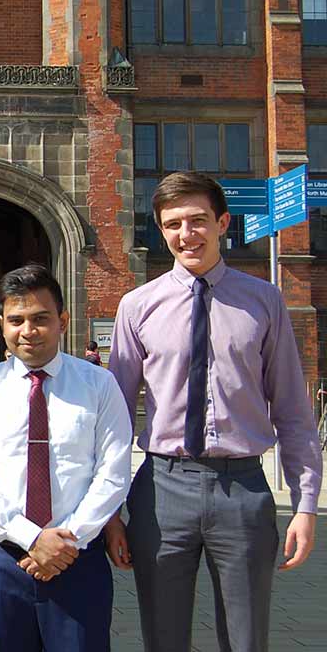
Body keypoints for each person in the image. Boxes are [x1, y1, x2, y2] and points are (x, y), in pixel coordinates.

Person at [105, 171, 322, 652]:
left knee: (246, 640)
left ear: (222, 222)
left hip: (242, 489)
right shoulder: (137, 306)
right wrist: (110, 513)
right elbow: (114, 419)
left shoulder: (264, 302)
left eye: (198, 220)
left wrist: (306, 505)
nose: (187, 234)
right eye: (173, 224)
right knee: (163, 638)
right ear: (161, 230)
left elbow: (292, 409)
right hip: (162, 491)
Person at [0, 264, 131, 652]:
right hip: (3, 559)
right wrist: (32, 538)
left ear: (63, 320)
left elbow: (113, 473)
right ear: (2, 324)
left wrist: (66, 543)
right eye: (16, 320)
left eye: (40, 319)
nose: (27, 331)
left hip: (78, 559)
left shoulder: (99, 385)